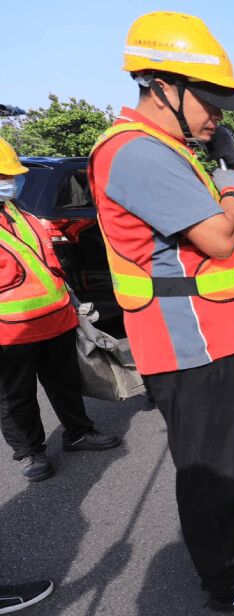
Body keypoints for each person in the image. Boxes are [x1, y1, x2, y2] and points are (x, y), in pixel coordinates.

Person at [89, 11, 234, 614]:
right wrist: (232, 178)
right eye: (210, 100)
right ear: (163, 88)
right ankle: (225, 579)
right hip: (186, 340)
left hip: (215, 331)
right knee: (206, 467)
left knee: (227, 455)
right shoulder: (135, 152)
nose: (218, 117)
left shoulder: (168, 149)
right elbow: (222, 239)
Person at [1, 138, 122, 483]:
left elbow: (46, 264)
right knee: (15, 396)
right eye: (4, 176)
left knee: (65, 383)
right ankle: (30, 452)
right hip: (11, 330)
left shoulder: (17, 213)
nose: (12, 182)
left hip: (55, 320)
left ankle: (78, 432)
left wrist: (72, 304)